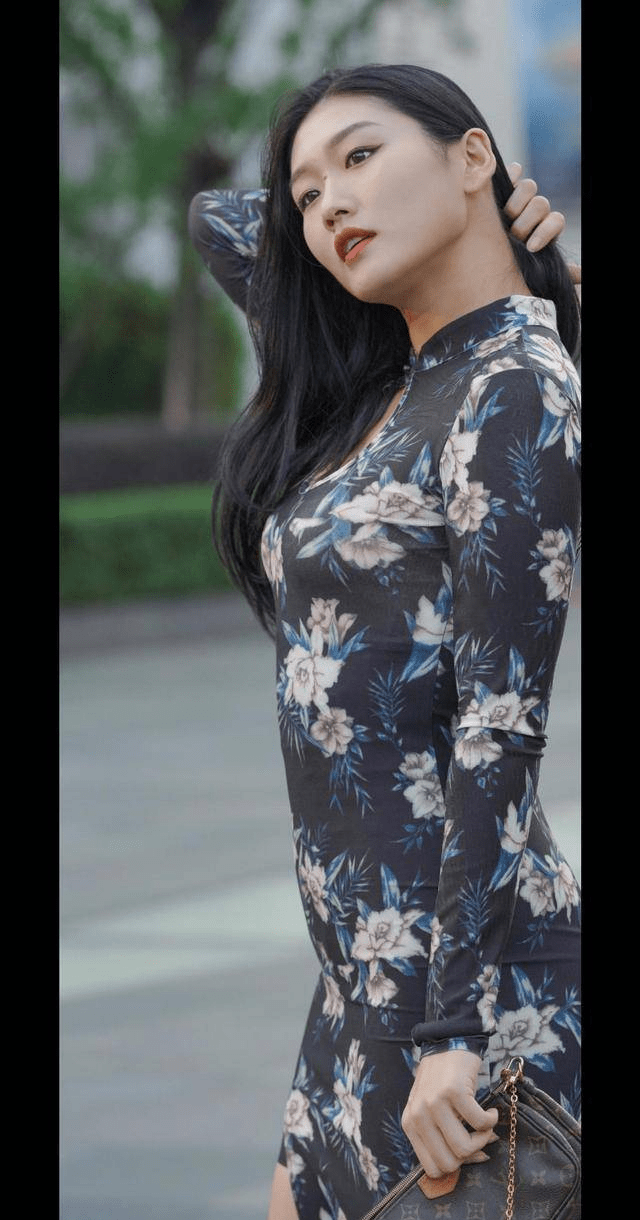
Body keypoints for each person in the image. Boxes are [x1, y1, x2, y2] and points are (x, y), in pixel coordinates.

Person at [188, 64, 581, 1220]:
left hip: (474, 1005)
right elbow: (217, 220)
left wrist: (455, 1031)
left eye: (361, 157)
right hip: (356, 991)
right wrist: (473, 205)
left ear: (473, 156)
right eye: (309, 195)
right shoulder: (388, 381)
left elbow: (501, 721)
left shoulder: (516, 386)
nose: (329, 207)